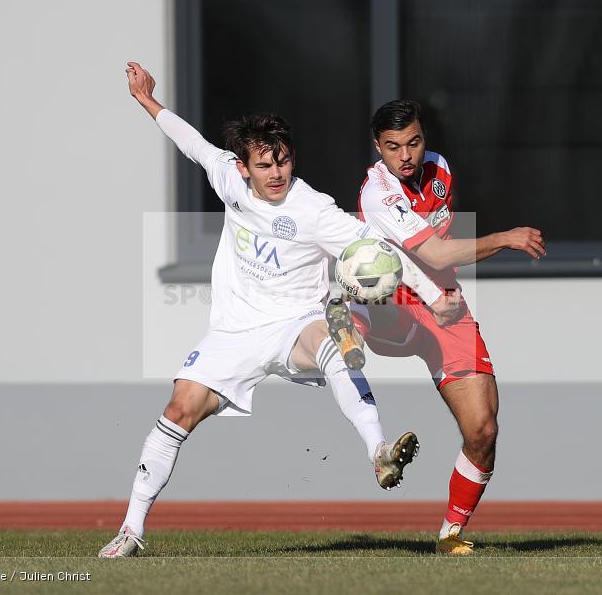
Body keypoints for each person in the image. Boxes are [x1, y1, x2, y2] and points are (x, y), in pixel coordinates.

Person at [98, 65, 463, 558]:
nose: (277, 174)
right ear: (244, 167)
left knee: (335, 338)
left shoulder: (313, 209)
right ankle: (130, 531)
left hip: (297, 324)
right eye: (266, 166)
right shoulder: (228, 179)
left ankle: (378, 451)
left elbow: (380, 248)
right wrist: (146, 100)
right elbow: (192, 143)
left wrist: (435, 297)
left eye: (284, 162)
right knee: (177, 410)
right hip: (233, 332)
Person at [345, 99, 546, 555]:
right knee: (365, 291)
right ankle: (347, 318)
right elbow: (433, 253)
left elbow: (439, 255)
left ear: (425, 139)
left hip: (445, 303)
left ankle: (449, 535)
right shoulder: (378, 193)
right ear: (378, 148)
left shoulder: (440, 170)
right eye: (393, 147)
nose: (406, 156)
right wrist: (504, 238)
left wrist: (441, 298)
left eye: (413, 142)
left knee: (484, 430)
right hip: (394, 297)